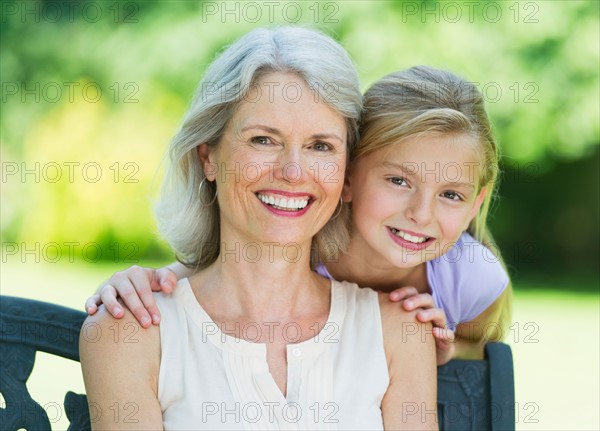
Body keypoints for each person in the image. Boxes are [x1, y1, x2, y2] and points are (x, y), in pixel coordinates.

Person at [79, 27, 437, 430]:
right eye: (264, 140)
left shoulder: (398, 332)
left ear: (345, 174)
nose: (292, 172)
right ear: (207, 158)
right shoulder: (129, 333)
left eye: (321, 146)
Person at [87, 65, 511, 366]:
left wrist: (444, 353)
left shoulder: (472, 279)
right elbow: (202, 276)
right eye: (399, 181)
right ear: (347, 175)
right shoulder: (300, 238)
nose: (420, 214)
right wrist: (138, 282)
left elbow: (482, 351)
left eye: (451, 194)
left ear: (477, 202)